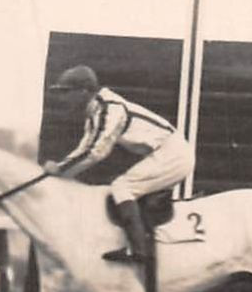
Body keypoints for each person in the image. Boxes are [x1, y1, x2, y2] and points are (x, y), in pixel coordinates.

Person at [42, 65, 195, 274]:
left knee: (122, 186)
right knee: (128, 187)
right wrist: (61, 173)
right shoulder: (95, 112)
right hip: (167, 152)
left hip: (173, 153)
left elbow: (96, 151)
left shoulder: (110, 109)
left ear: (85, 91)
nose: (63, 99)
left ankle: (139, 251)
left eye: (66, 92)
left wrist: (59, 170)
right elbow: (85, 148)